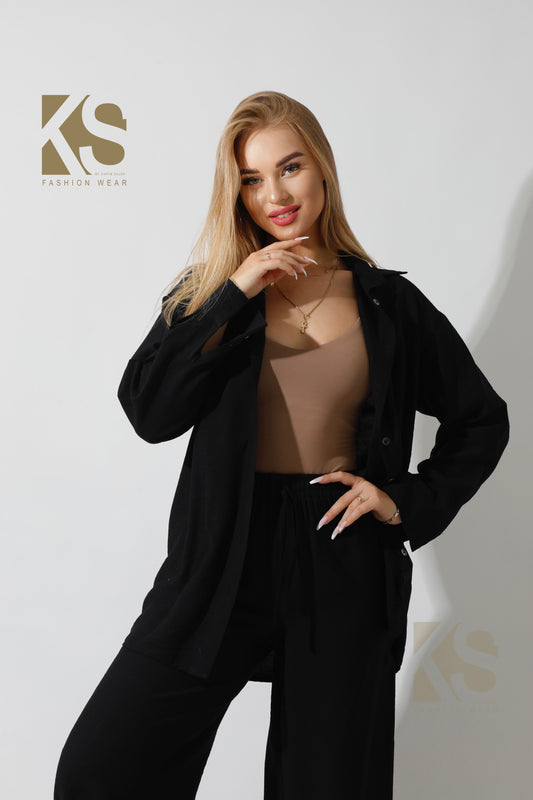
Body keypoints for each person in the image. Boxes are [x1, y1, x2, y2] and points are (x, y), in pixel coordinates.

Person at [53, 90, 510, 799]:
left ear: (322, 167)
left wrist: (403, 502)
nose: (275, 194)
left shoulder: (388, 304)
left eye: (290, 167)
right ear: (234, 192)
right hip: (221, 556)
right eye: (251, 178)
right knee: (102, 770)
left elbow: (481, 419)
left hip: (341, 555)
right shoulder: (210, 296)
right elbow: (150, 410)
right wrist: (234, 291)